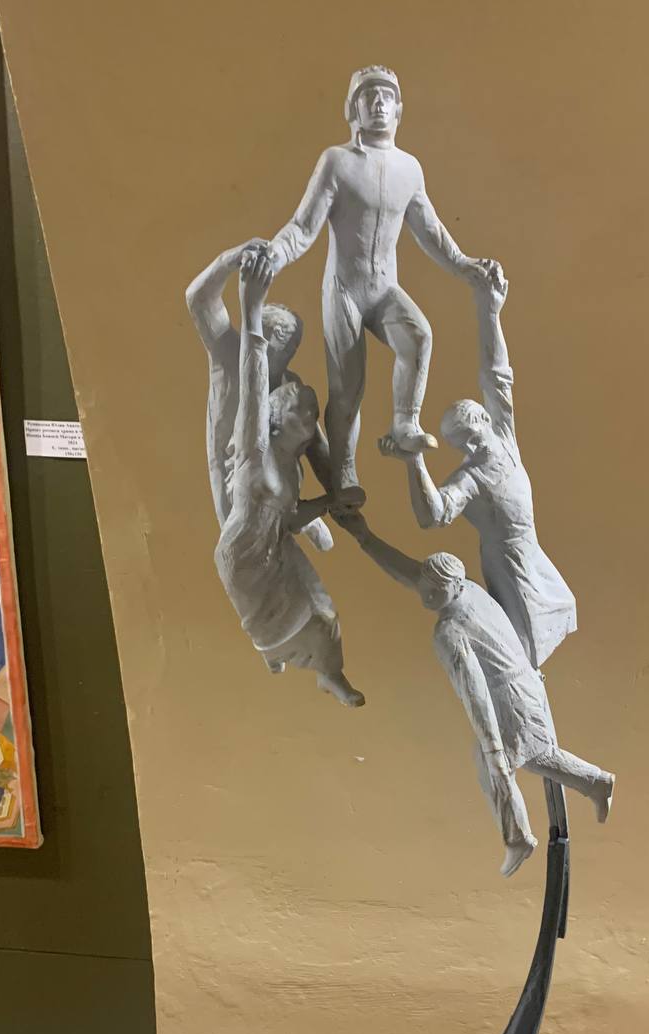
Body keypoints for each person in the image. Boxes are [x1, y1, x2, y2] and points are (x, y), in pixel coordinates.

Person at [255, 66, 497, 503]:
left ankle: (405, 422)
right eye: (369, 96)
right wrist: (273, 254)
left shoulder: (409, 168)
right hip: (344, 290)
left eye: (387, 96)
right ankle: (344, 470)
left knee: (419, 336)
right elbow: (303, 227)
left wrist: (464, 264)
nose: (379, 103)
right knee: (348, 388)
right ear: (353, 108)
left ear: (399, 109)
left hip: (384, 290)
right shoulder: (337, 161)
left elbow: (431, 230)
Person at [334, 511, 613, 875]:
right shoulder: (467, 589)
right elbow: (412, 573)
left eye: (431, 591)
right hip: (525, 685)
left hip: (511, 699)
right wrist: (364, 537)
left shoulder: (449, 631)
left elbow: (474, 692)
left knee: (506, 762)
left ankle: (538, 824)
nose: (424, 595)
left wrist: (494, 746)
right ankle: (587, 790)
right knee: (517, 760)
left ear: (447, 588)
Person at [380, 263, 576, 669]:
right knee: (523, 647)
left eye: (470, 435)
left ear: (484, 420)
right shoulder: (471, 477)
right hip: (508, 567)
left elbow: (496, 375)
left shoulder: (504, 437)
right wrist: (414, 462)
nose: (469, 447)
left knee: (548, 626)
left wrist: (490, 309)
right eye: (460, 444)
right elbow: (432, 515)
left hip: (533, 554)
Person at [215, 251, 364, 707]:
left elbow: (293, 515)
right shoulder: (255, 449)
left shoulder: (291, 462)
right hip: (246, 555)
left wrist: (333, 499)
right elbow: (253, 377)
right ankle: (275, 653)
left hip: (276, 540)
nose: (313, 421)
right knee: (287, 622)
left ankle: (328, 674)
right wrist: (250, 306)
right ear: (278, 419)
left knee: (324, 614)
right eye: (307, 413)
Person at [186, 239, 333, 552]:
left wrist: (338, 488)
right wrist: (230, 258)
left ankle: (294, 510)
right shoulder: (229, 352)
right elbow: (198, 300)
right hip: (233, 472)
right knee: (241, 535)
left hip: (278, 481)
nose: (292, 349)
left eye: (293, 344)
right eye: (287, 341)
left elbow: (315, 443)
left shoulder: (290, 382)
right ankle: (293, 515)